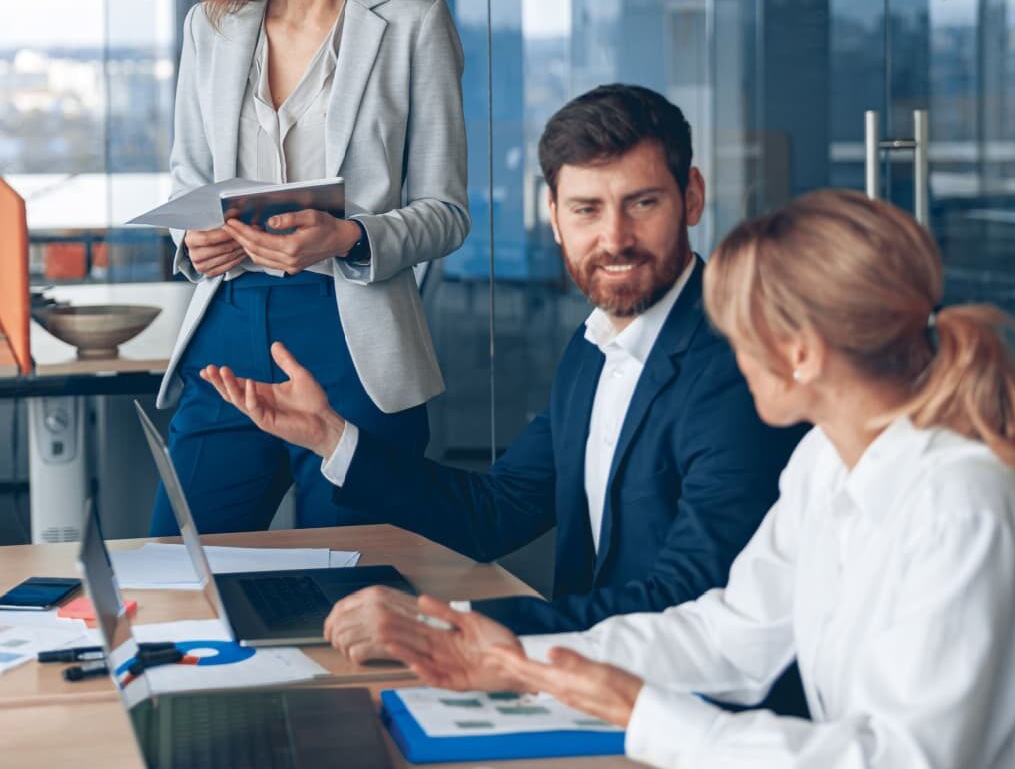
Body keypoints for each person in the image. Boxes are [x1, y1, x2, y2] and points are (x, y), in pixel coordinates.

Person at [367, 189, 1015, 769]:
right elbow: (731, 635)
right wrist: (523, 662)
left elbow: (899, 758)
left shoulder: (965, 506)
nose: (729, 355)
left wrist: (644, 713)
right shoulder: (828, 460)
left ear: (800, 353)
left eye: (739, 332)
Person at [202, 84, 802, 652]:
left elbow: (688, 603)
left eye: (642, 204)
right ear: (555, 216)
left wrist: (449, 627)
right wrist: (329, 436)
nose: (614, 238)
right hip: (591, 673)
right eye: (587, 210)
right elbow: (496, 513)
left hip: (678, 705)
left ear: (691, 197)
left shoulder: (738, 367)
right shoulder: (596, 346)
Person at [151, 0, 469, 534]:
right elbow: (187, 179)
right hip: (228, 329)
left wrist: (346, 237)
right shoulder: (214, 23)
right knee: (182, 570)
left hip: (354, 341)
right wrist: (193, 239)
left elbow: (446, 212)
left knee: (356, 585)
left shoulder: (415, 22)